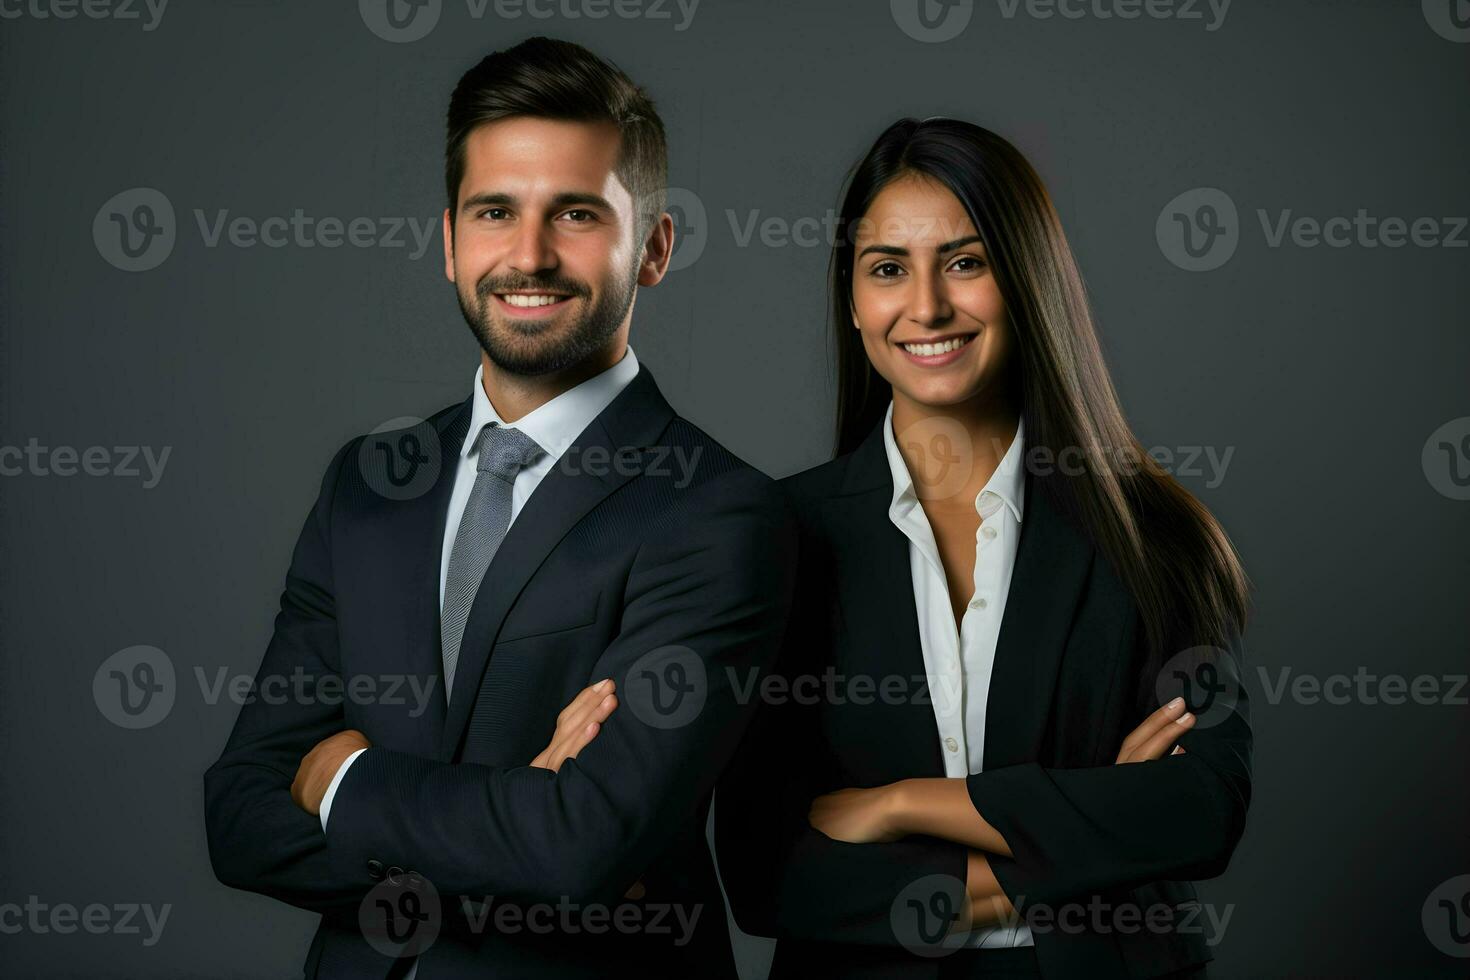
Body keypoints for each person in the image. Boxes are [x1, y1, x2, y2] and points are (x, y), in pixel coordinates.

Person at [203, 36, 796, 979]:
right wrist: (517, 824)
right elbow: (238, 813)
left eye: (575, 213)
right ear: (448, 243)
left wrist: (346, 782)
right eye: (494, 211)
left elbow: (586, 843)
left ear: (653, 247)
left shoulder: (719, 514)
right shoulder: (368, 484)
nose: (528, 255)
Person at [713, 117, 1252, 978]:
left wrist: (899, 805)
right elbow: (763, 872)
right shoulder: (777, 537)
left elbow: (1201, 807)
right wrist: (1095, 838)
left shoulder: (1148, 531)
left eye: (966, 262)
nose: (926, 307)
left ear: (1027, 280)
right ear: (853, 300)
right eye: (888, 269)